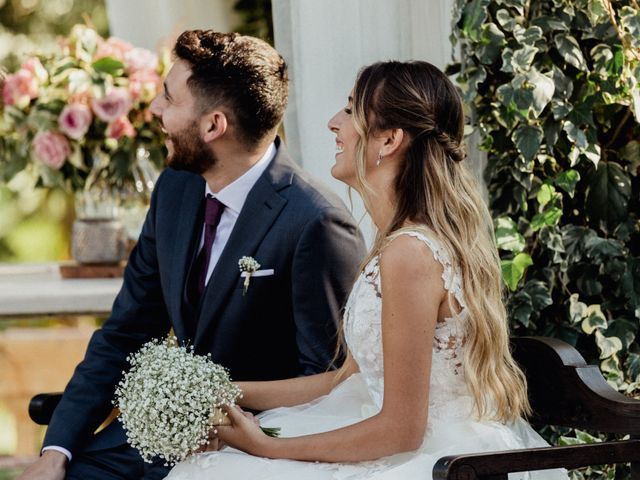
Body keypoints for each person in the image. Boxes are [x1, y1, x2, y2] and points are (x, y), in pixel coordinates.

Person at [164, 60, 568, 480]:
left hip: (431, 457)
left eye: (351, 110)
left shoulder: (409, 253)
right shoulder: (398, 244)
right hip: (393, 435)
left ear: (389, 139)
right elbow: (347, 381)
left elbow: (402, 430)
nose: (333, 123)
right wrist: (217, 393)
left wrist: (268, 446)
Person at [18, 30, 365, 480]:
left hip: (253, 453)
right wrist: (55, 452)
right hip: (149, 442)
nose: (156, 110)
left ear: (213, 125)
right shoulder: (175, 189)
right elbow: (125, 333)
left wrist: (228, 422)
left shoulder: (315, 224)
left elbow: (330, 386)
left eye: (168, 98)